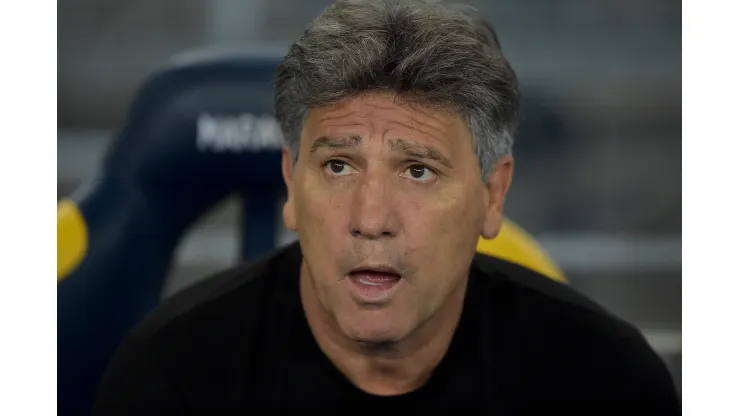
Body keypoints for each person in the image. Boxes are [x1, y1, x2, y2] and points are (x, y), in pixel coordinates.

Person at [92, 0, 680, 412]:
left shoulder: (608, 383)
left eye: (419, 170)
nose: (371, 220)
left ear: (492, 195)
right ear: (292, 188)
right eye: (338, 166)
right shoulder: (170, 378)